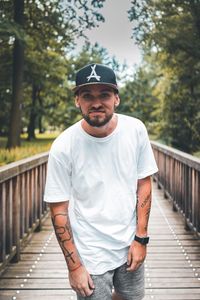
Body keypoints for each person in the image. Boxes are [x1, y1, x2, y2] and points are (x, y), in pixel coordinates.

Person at [44, 63, 158, 300]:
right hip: (90, 251)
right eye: (87, 96)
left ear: (116, 98)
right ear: (77, 100)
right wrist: (74, 267)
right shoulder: (63, 147)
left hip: (129, 242)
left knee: (131, 297)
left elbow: (144, 183)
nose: (96, 103)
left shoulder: (135, 130)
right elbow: (58, 209)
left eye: (104, 94)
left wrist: (141, 239)